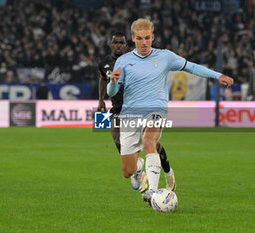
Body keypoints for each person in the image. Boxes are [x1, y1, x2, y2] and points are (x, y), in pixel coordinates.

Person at [107, 18, 234, 205]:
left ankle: (152, 192)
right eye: (140, 38)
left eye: (147, 38)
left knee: (149, 140)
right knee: (127, 172)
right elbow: (112, 93)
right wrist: (113, 82)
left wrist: (218, 75)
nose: (144, 42)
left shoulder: (165, 56)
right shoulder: (124, 61)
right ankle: (139, 167)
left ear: (153, 37)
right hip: (130, 114)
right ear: (133, 38)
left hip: (156, 108)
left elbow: (191, 66)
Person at [98, 31, 176, 192]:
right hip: (117, 109)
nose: (119, 45)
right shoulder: (104, 63)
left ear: (126, 45)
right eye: (116, 42)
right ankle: (138, 169)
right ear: (111, 44)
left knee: (150, 142)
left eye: (121, 43)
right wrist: (100, 99)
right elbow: (103, 79)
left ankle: (165, 168)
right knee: (120, 144)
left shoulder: (132, 60)